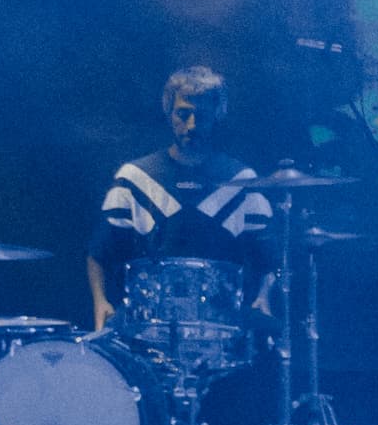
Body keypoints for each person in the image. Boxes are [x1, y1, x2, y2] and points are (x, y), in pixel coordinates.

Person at [86, 63, 273, 333]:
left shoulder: (242, 180)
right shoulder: (134, 178)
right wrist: (100, 301)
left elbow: (268, 258)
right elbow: (99, 253)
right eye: (183, 114)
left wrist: (263, 297)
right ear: (169, 113)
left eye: (202, 116)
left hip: (221, 323)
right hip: (148, 322)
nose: (192, 126)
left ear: (217, 116)